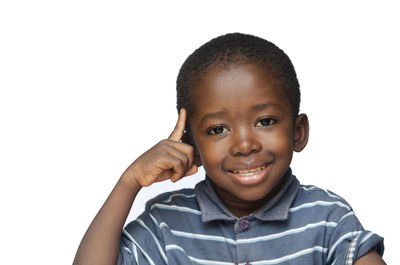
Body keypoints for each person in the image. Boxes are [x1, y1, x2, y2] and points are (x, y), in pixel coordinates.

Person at [73, 33, 385, 265]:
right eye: (218, 129)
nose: (245, 145)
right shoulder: (166, 223)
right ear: (191, 143)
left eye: (265, 121)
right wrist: (129, 182)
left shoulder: (326, 217)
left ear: (298, 132)